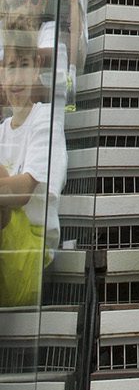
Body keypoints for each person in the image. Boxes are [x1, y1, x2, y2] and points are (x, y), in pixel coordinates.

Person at [0, 24, 66, 307]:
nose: (16, 77)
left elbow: (23, 190)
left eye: (24, 64)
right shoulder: (2, 130)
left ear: (37, 65)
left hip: (33, 252)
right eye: (10, 66)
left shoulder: (46, 120)